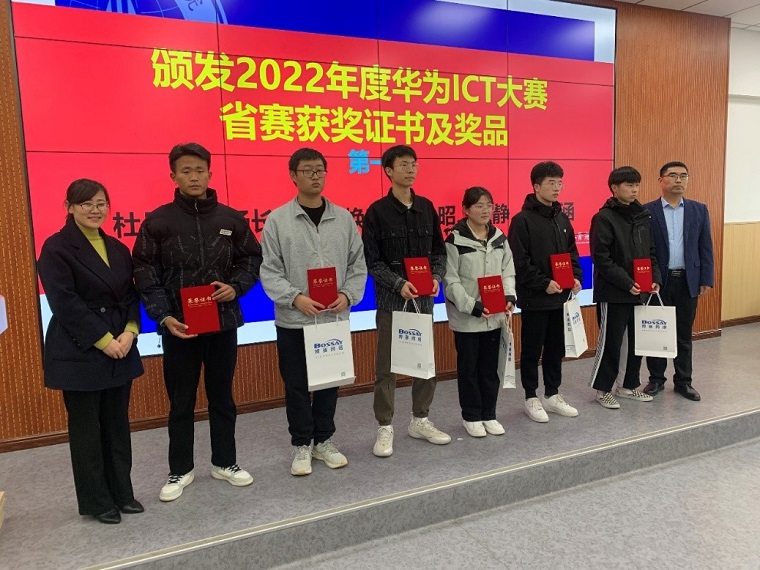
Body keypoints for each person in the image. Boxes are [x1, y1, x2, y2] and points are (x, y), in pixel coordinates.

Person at [133, 143, 262, 501]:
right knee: (181, 400)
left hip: (222, 323)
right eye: (186, 171)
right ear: (173, 176)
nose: (193, 176)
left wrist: (236, 287)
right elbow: (144, 272)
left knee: (223, 396)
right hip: (180, 327)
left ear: (210, 173)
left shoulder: (230, 219)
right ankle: (180, 469)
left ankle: (225, 462)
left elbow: (251, 259)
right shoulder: (157, 222)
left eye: (199, 170)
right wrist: (164, 316)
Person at [37, 179, 144, 524]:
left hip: (121, 345)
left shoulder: (118, 248)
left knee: (117, 425)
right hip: (80, 349)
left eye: (101, 204)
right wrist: (104, 340)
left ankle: (123, 493)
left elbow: (130, 295)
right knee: (87, 431)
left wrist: (130, 332)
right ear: (69, 207)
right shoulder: (56, 248)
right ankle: (98, 502)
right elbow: (64, 302)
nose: (95, 210)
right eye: (86, 204)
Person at [260, 148, 367, 476]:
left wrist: (348, 295)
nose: (315, 176)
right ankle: (301, 444)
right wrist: (295, 298)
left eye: (320, 170)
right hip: (294, 319)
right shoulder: (278, 220)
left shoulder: (343, 219)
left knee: (329, 382)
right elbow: (269, 270)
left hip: (332, 318)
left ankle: (323, 440)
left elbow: (357, 264)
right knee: (296, 384)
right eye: (307, 170)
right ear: (293, 176)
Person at [363, 144, 450, 457]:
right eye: (403, 164)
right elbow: (372, 262)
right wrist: (398, 284)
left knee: (424, 364)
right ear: (388, 170)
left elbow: (439, 251)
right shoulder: (376, 212)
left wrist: (436, 276)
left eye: (414, 164)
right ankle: (385, 426)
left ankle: (420, 420)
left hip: (423, 302)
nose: (411, 169)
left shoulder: (426, 207)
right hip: (392, 302)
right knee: (386, 368)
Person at [507, 161, 582, 423]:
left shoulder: (561, 218)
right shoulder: (522, 220)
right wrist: (543, 283)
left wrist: (576, 277)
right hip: (535, 298)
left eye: (559, 182)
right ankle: (531, 396)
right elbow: (519, 261)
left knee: (555, 347)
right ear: (536, 186)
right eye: (551, 183)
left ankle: (552, 394)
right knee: (532, 349)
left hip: (561, 298)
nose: (557, 188)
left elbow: (572, 252)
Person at [444, 186, 516, 437]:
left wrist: (509, 296)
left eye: (489, 205)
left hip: (494, 316)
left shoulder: (500, 238)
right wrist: (471, 306)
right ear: (465, 209)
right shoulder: (455, 240)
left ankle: (489, 414)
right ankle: (471, 416)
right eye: (479, 206)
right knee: (469, 370)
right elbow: (450, 280)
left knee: (490, 368)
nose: (486, 210)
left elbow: (508, 271)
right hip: (468, 318)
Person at [589, 166, 661, 409]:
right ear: (614, 188)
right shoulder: (604, 218)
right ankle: (603, 389)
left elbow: (651, 252)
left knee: (635, 341)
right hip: (614, 292)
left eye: (637, 185)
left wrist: (655, 279)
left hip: (640, 291)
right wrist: (626, 282)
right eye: (629, 185)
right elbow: (602, 258)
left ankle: (628, 386)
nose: (634, 190)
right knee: (611, 343)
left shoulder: (642, 216)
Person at [643, 162, 714, 401]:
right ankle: (656, 379)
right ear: (661, 180)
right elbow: (644, 250)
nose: (678, 180)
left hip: (687, 280)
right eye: (673, 175)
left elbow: (705, 247)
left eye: (683, 176)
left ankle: (684, 382)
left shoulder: (698, 210)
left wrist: (706, 278)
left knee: (684, 334)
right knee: (657, 331)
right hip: (658, 283)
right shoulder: (647, 211)